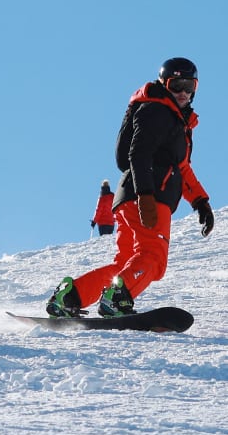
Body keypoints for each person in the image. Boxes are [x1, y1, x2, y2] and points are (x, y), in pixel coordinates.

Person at [47, 57, 214, 319]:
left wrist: (201, 202)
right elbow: (139, 154)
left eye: (189, 86)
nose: (182, 92)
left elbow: (181, 167)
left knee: (126, 263)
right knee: (153, 258)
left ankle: (70, 296)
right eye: (176, 84)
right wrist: (146, 195)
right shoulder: (157, 111)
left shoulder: (174, 119)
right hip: (148, 194)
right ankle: (116, 300)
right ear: (164, 84)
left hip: (133, 194)